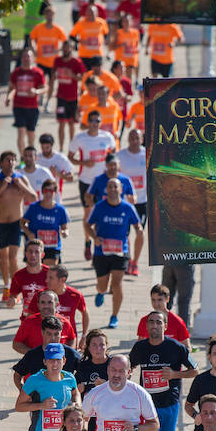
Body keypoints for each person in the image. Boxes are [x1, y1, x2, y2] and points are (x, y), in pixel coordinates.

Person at [87, 178, 144, 329]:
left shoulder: (128, 207)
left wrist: (139, 229)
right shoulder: (99, 207)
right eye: (110, 186)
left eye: (115, 187)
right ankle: (100, 292)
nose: (112, 189)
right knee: (102, 285)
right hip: (101, 252)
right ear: (106, 190)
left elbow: (137, 224)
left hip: (121, 252)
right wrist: (94, 237)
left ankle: (114, 316)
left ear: (121, 190)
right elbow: (87, 225)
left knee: (117, 284)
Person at [0, 151, 36, 300]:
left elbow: (33, 197)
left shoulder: (21, 178)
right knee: (3, 258)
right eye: (7, 160)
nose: (11, 163)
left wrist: (21, 185)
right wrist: (2, 188)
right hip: (0, 224)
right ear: (1, 163)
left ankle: (15, 288)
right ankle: (6, 286)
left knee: (13, 258)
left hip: (15, 223)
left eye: (13, 160)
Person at [68, 110, 116, 261]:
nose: (95, 123)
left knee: (101, 214)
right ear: (88, 122)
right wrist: (83, 163)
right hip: (86, 181)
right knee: (88, 215)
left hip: (103, 182)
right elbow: (70, 157)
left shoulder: (107, 137)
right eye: (92, 121)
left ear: (101, 122)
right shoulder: (80, 138)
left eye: (97, 121)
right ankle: (88, 242)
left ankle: (99, 246)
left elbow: (113, 155)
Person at [12, 318, 81, 391]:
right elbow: (17, 374)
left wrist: (77, 389)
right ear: (42, 333)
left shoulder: (71, 354)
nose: (53, 338)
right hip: (40, 400)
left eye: (56, 334)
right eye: (49, 334)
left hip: (64, 398)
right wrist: (23, 391)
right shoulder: (32, 355)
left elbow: (84, 370)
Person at [21, 179, 70, 266]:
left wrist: (65, 232)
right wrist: (28, 233)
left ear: (55, 193)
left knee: (50, 271)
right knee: (34, 271)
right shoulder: (34, 207)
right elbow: (22, 223)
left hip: (52, 246)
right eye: (45, 190)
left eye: (51, 191)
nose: (48, 193)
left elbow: (64, 227)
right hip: (35, 245)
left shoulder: (60, 209)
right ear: (42, 192)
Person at [5, 48, 46, 153]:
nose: (26, 59)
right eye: (24, 56)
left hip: (32, 107)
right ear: (21, 58)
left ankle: (31, 155)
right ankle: (23, 158)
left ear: (32, 58)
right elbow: (12, 87)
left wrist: (36, 91)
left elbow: (45, 88)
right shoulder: (16, 73)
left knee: (31, 134)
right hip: (19, 107)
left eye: (28, 56)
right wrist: (8, 98)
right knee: (21, 132)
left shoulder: (38, 72)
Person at [118, 129, 147, 274]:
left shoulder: (147, 153)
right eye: (131, 138)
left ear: (142, 139)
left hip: (142, 201)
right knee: (125, 233)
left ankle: (135, 261)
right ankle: (128, 259)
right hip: (125, 202)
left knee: (140, 232)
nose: (134, 140)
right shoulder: (121, 155)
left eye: (137, 138)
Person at [12, 290, 75, 354]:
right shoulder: (29, 322)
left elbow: (72, 339)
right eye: (43, 302)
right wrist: (34, 355)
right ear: (38, 305)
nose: (46, 306)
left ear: (57, 304)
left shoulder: (65, 323)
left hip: (59, 362)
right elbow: (16, 344)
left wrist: (67, 354)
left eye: (50, 302)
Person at [29, 6, 67, 111]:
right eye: (48, 14)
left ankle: (48, 101)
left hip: (53, 62)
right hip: (41, 60)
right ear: (45, 15)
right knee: (40, 81)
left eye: (52, 14)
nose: (50, 17)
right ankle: (40, 96)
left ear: (54, 16)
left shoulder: (57, 29)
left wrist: (59, 50)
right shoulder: (39, 28)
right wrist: (34, 49)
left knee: (52, 82)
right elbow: (31, 39)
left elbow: (65, 42)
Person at [53, 40, 86, 149]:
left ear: (72, 49)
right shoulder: (57, 60)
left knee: (71, 123)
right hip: (61, 96)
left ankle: (71, 147)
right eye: (64, 47)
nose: (66, 50)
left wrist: (72, 75)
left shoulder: (76, 62)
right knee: (61, 122)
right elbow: (53, 74)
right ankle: (61, 148)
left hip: (72, 97)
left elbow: (82, 77)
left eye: (68, 47)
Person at [136, 284, 190, 348]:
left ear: (167, 299)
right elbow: (139, 347)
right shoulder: (144, 321)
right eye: (153, 300)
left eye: (160, 300)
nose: (156, 304)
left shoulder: (178, 322)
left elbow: (187, 347)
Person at [7, 238, 48, 318]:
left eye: (37, 252)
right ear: (26, 254)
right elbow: (13, 296)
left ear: (42, 255)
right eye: (30, 251)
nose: (33, 255)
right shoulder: (18, 275)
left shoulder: (50, 274)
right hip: (27, 319)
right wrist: (13, 301)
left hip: (46, 320)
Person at [76, 329, 111, 412]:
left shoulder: (114, 364)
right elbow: (74, 389)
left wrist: (107, 385)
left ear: (106, 346)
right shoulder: (82, 365)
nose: (98, 348)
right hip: (88, 412)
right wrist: (77, 390)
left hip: (109, 411)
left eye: (101, 344)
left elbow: (124, 387)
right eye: (94, 345)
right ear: (88, 347)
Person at [70, 5, 109, 71]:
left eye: (92, 13)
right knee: (85, 75)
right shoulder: (81, 23)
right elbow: (71, 36)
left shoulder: (101, 22)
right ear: (86, 13)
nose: (90, 15)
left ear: (96, 13)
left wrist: (106, 40)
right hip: (84, 54)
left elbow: (106, 34)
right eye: (88, 13)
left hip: (97, 54)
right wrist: (79, 41)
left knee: (97, 75)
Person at [162, 263, 196, 329]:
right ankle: (183, 331)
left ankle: (161, 327)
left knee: (165, 299)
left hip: (169, 260)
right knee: (184, 301)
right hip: (185, 262)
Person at [113, 13, 139, 81]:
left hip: (131, 59)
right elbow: (111, 47)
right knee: (120, 79)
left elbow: (137, 45)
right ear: (122, 23)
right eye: (124, 21)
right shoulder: (118, 33)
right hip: (121, 60)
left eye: (128, 21)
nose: (126, 23)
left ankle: (130, 90)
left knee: (129, 79)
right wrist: (120, 45)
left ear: (131, 22)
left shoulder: (135, 32)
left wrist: (137, 49)